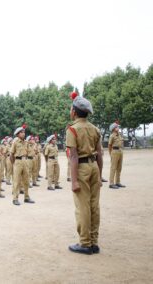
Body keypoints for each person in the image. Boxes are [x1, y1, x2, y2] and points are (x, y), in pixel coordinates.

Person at [66, 91, 103, 255]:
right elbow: (100, 154)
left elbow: (73, 157)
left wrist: (74, 181)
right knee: (94, 205)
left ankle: (85, 243)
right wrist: (100, 175)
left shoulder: (72, 130)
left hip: (81, 169)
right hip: (94, 166)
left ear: (74, 112)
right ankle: (94, 242)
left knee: (83, 207)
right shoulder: (95, 129)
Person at [11, 124, 35, 205]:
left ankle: (26, 197)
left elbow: (29, 152)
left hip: (25, 161)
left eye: (24, 132)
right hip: (18, 161)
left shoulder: (26, 142)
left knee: (26, 180)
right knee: (17, 181)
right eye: (21, 132)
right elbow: (11, 154)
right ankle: (15, 199)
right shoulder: (15, 141)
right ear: (17, 134)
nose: (23, 134)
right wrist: (13, 164)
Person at [108, 121, 126, 189]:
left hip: (120, 151)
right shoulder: (112, 136)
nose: (118, 128)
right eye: (117, 127)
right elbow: (109, 145)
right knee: (113, 168)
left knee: (119, 168)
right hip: (114, 151)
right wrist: (111, 154)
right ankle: (111, 183)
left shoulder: (119, 135)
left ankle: (117, 182)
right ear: (113, 128)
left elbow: (122, 143)